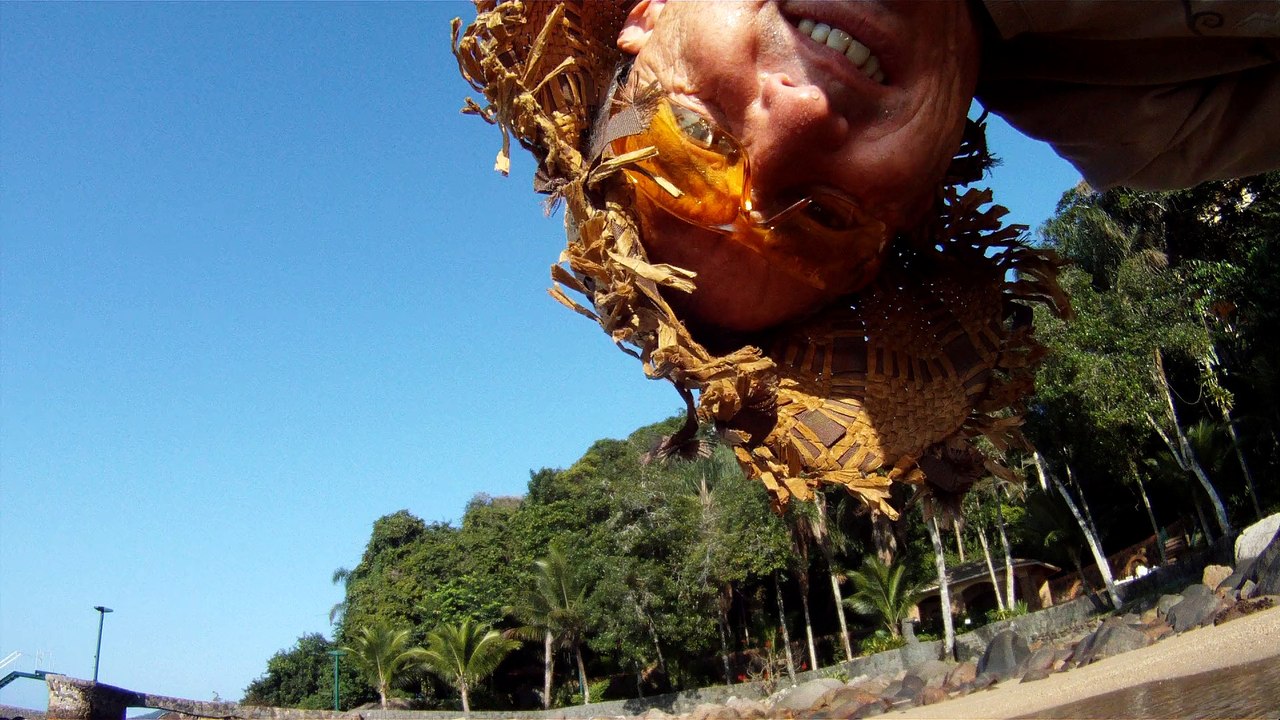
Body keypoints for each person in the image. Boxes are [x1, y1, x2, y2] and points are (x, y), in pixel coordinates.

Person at [611, 0, 1280, 333]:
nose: (802, 113)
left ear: (650, 10)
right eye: (822, 214)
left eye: (695, 129)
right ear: (923, 201)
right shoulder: (1160, 122)